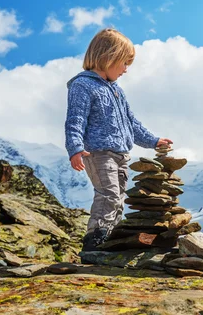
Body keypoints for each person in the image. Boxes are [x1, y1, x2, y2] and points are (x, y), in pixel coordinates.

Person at [65, 28, 172, 251]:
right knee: (109, 194)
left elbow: (131, 122)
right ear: (108, 57)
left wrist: (153, 140)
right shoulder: (82, 85)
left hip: (121, 154)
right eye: (124, 63)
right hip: (99, 152)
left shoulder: (117, 91)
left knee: (119, 199)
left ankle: (110, 240)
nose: (125, 70)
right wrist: (75, 148)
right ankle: (94, 241)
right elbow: (75, 119)